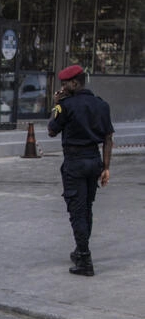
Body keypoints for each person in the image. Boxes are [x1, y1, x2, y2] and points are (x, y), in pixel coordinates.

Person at [46, 65, 113, 277]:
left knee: (77, 211)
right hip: (94, 161)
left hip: (75, 162)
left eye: (66, 83)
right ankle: (80, 250)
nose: (63, 88)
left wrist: (56, 105)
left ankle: (84, 259)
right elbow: (108, 138)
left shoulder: (65, 105)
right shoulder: (101, 105)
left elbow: (51, 130)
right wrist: (106, 167)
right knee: (86, 208)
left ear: (75, 83)